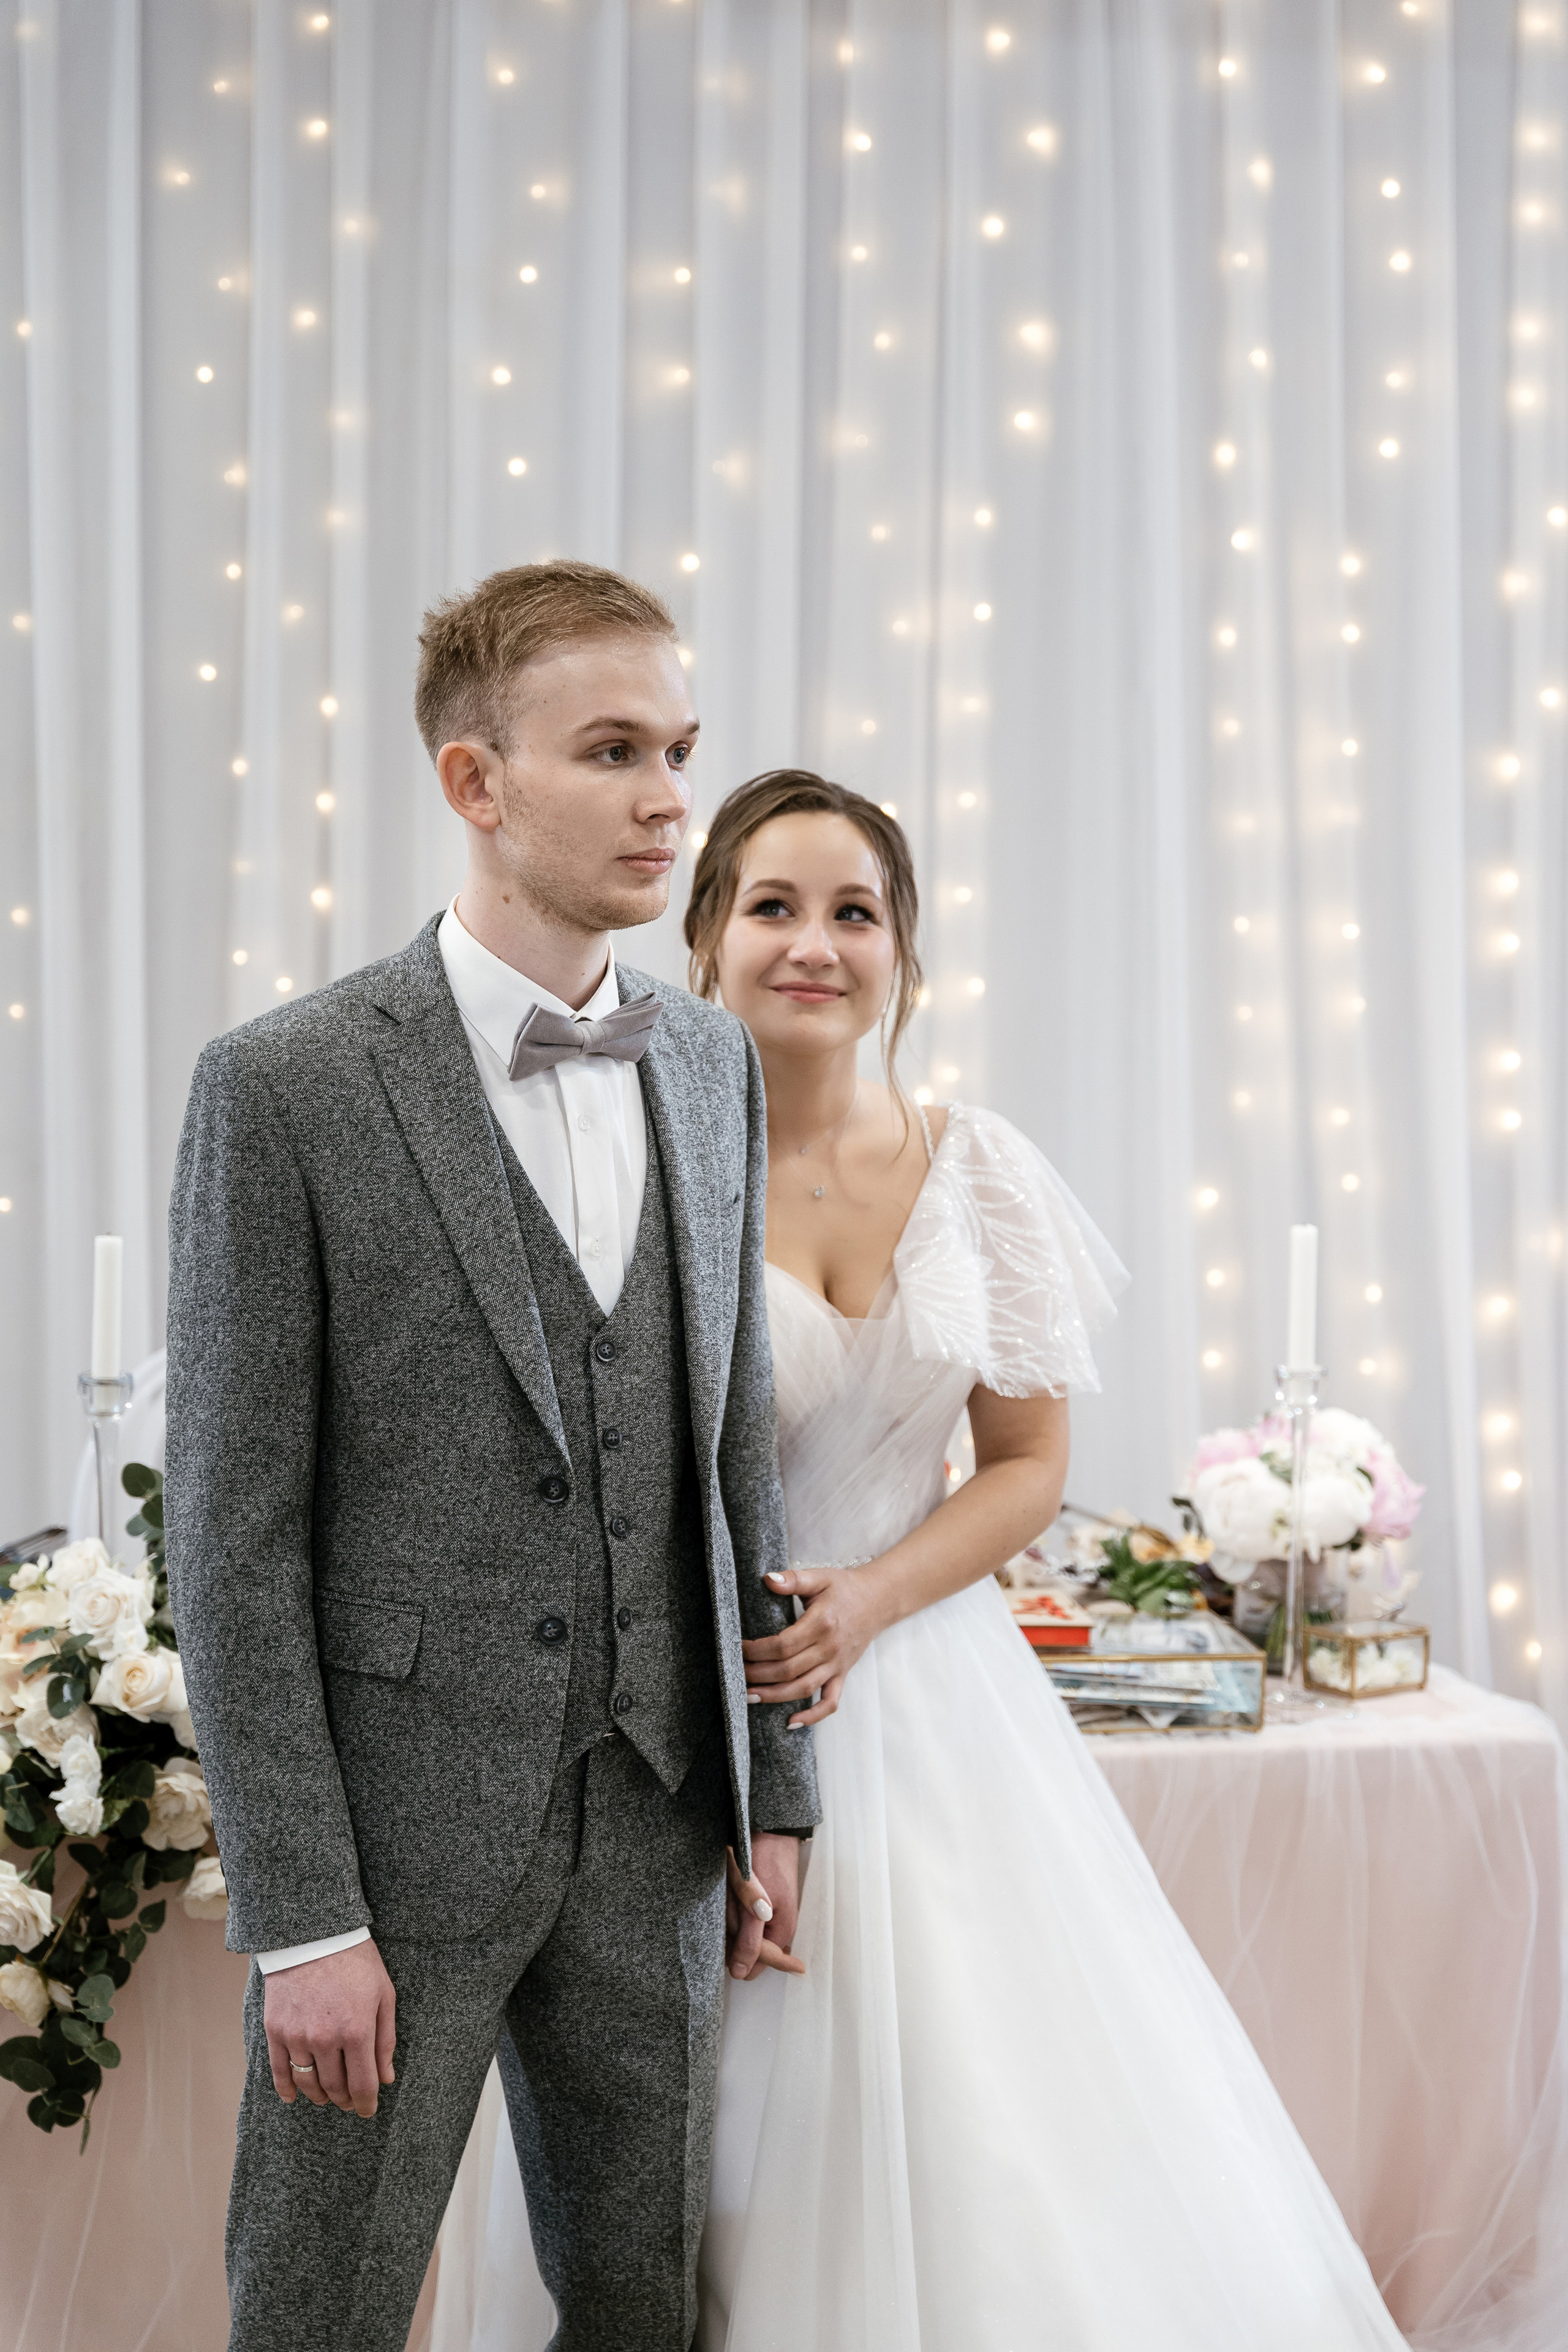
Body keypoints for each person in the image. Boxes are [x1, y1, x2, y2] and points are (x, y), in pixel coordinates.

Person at [461, 769, 1406, 2350]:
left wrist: (876, 1603)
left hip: (937, 1698)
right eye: (772, 906)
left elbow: (1031, 1467)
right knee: (685, 2144)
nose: (814, 944)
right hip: (696, 1710)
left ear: (904, 953)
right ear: (702, 941)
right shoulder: (624, 1157)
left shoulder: (984, 1169)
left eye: (856, 913)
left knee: (996, 2114)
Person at [164, 564, 818, 2352]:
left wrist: (777, 1789)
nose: (671, 798)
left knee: (641, 2305)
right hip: (390, 1852)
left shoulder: (707, 1063)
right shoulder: (285, 1086)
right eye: (612, 751)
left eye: (679, 749)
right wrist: (302, 1921)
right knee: (321, 2309)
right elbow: (229, 1542)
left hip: (663, 1816)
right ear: (476, 783)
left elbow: (730, 1452)